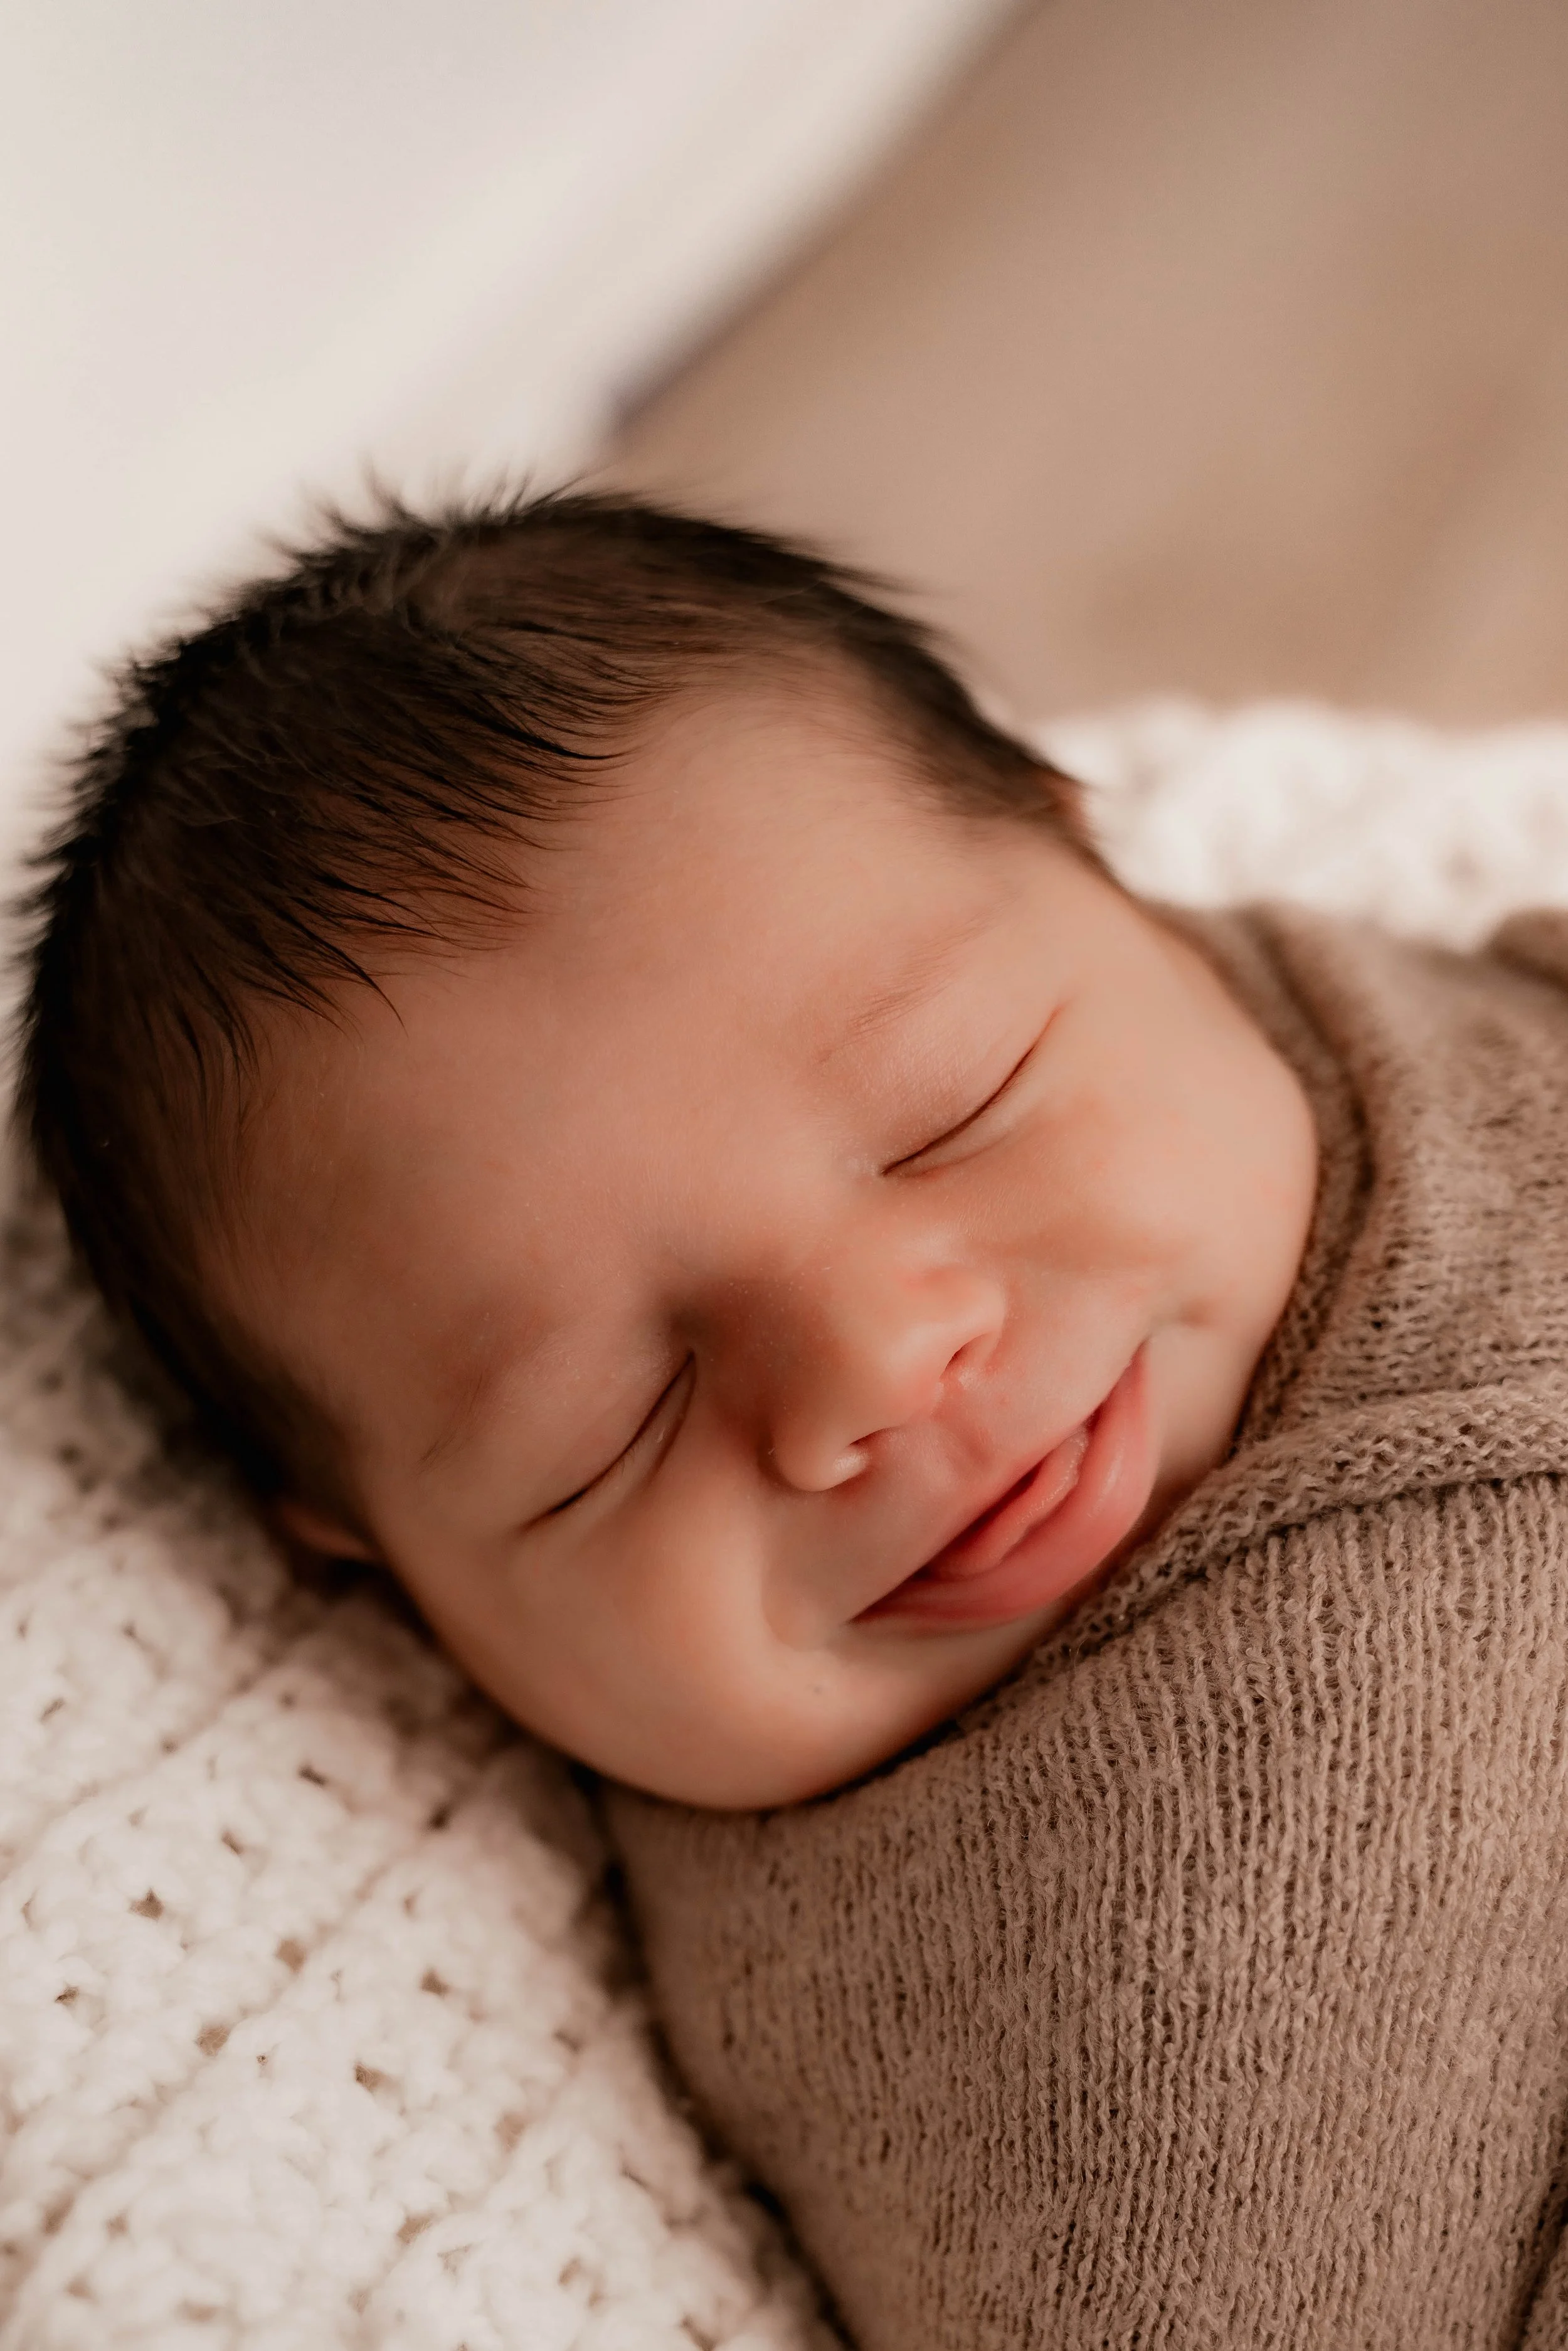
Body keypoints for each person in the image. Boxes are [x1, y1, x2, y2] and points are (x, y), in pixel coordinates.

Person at [19, 492, 1568, 2345]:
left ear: (1112, 883)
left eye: (954, 1106)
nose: (869, 1365)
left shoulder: (1407, 1027)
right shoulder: (1025, 2040)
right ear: (370, 1555)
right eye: (613, 1423)